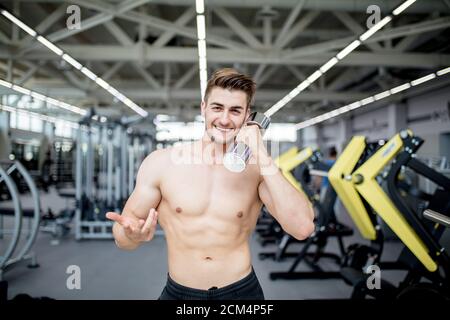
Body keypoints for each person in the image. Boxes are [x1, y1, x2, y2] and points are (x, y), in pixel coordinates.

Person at [106, 68, 315, 300]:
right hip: (179, 294)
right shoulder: (161, 163)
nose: (224, 119)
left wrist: (261, 154)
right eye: (217, 108)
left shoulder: (258, 170)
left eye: (235, 110)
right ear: (203, 108)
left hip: (241, 294)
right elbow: (122, 237)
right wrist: (131, 236)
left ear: (248, 117)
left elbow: (302, 228)